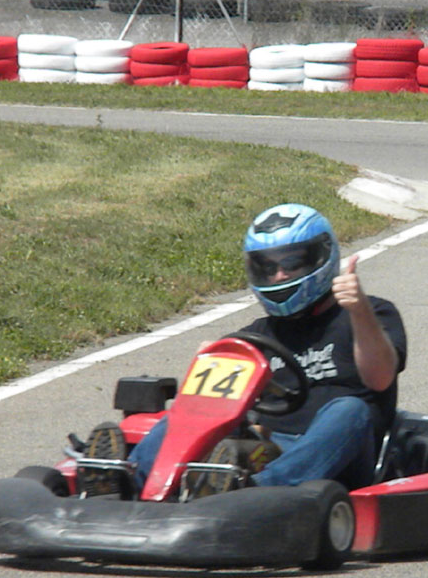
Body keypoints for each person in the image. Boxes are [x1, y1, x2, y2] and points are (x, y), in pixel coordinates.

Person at [86, 203, 406, 495]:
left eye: (292, 263)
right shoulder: (254, 337)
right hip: (267, 449)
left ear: (320, 257)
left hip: (342, 457)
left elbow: (379, 378)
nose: (279, 275)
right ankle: (127, 480)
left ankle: (256, 493)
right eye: (269, 267)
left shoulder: (371, 314)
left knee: (349, 410)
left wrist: (358, 309)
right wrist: (209, 362)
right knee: (190, 411)